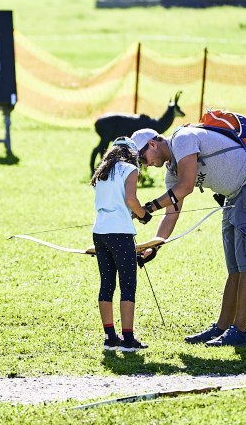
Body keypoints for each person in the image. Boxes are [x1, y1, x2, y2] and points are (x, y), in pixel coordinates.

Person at [131, 125, 246, 347]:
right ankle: (222, 328)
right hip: (234, 196)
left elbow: (186, 186)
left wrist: (147, 208)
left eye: (143, 158)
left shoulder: (182, 139)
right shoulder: (171, 171)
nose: (146, 165)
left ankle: (240, 332)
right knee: (235, 267)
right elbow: (172, 213)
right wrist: (154, 246)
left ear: (152, 144)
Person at [90, 137, 153, 352]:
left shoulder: (102, 172)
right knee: (128, 285)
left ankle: (110, 337)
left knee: (106, 285)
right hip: (120, 234)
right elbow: (131, 201)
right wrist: (144, 215)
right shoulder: (129, 169)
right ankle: (128, 339)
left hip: (99, 233)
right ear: (132, 154)